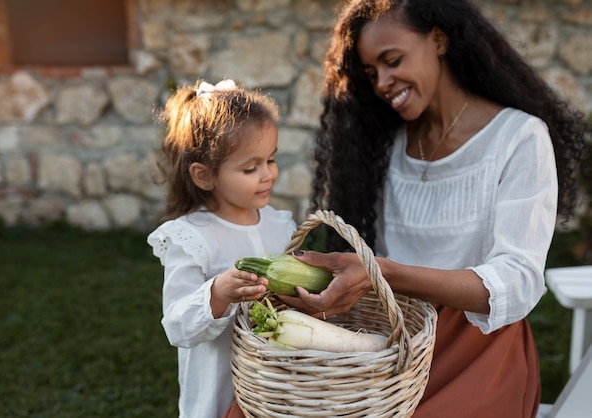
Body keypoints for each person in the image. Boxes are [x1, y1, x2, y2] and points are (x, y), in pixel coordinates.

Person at [222, 0, 591, 417]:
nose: (382, 82)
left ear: (439, 39)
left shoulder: (519, 138)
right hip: (389, 337)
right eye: (371, 73)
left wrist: (384, 272)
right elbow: (371, 271)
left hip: (477, 351)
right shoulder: (387, 147)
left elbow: (519, 281)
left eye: (392, 60)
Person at [147, 79, 297, 418]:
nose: (267, 175)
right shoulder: (192, 237)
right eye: (250, 168)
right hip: (218, 385)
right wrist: (219, 292)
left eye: (271, 160)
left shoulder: (279, 225)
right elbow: (177, 324)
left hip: (272, 382)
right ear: (204, 176)